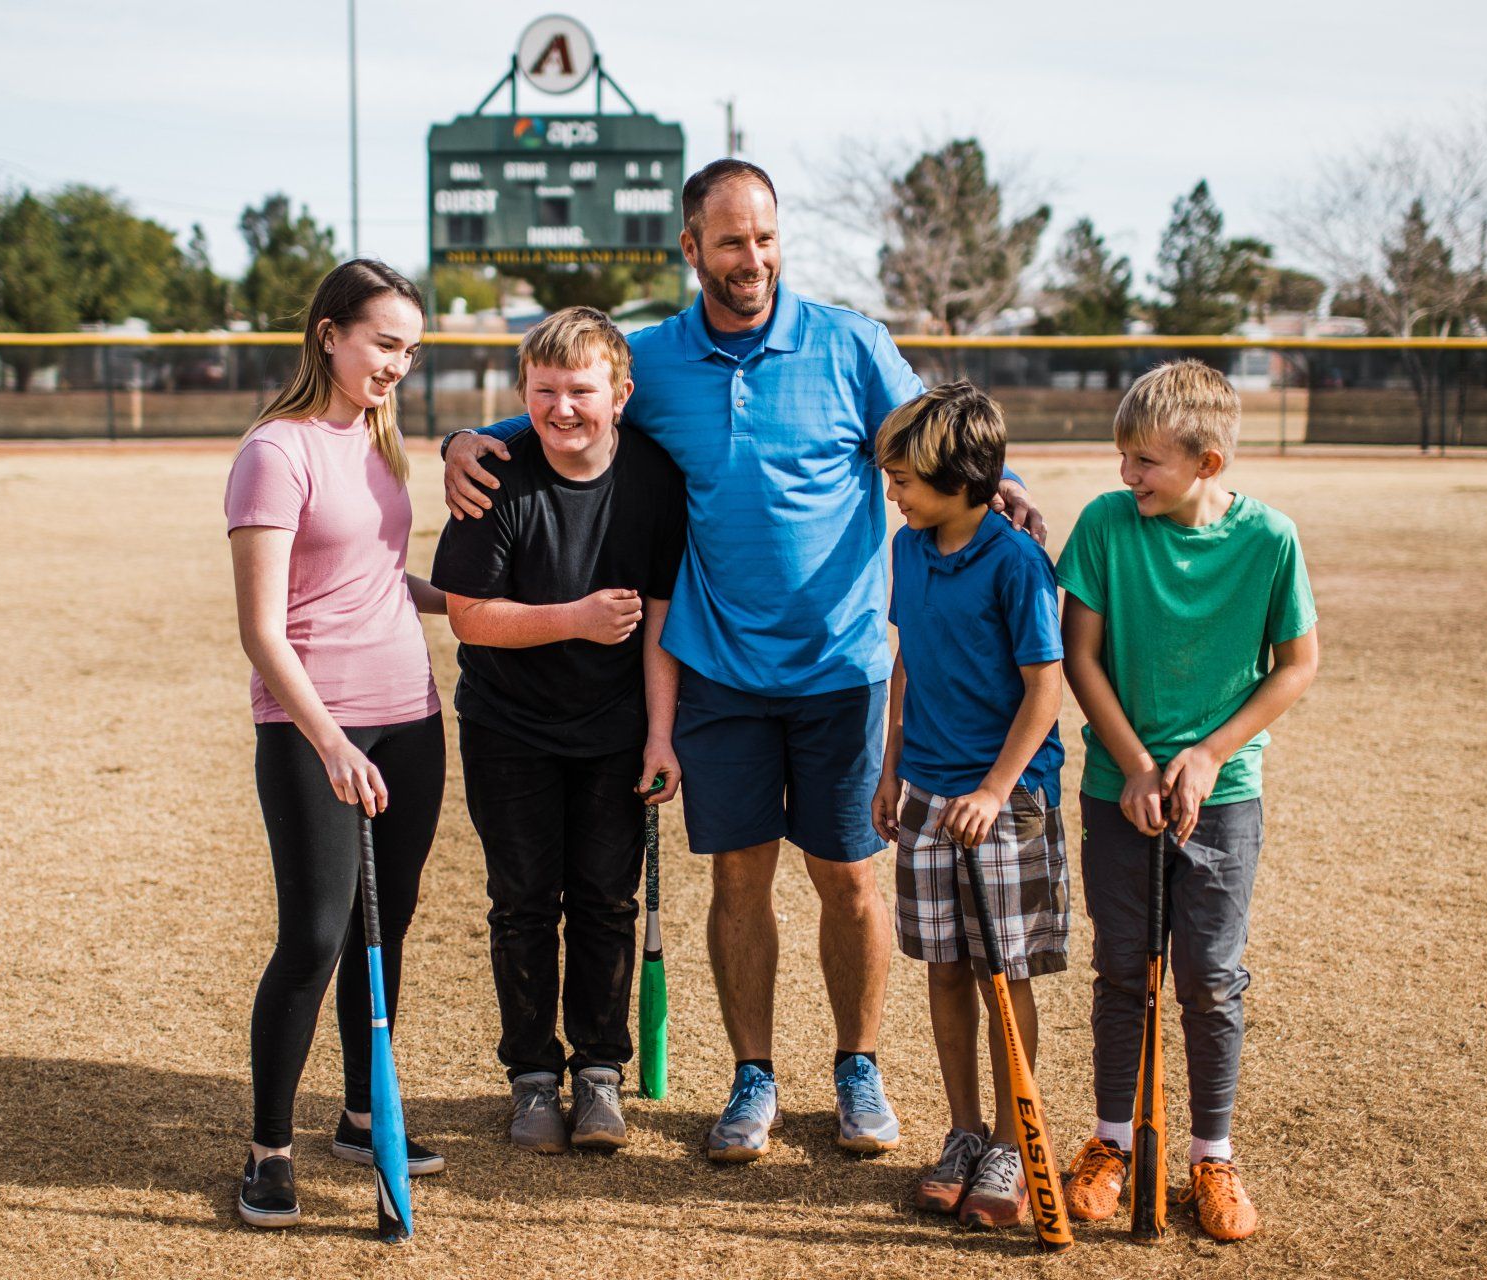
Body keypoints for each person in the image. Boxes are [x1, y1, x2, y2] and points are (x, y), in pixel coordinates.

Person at [442, 159, 1049, 1163]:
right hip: (721, 671)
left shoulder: (851, 344)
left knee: (850, 878)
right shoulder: (660, 359)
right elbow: (575, 401)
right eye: (730, 242)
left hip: (842, 667)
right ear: (692, 250)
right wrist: (471, 438)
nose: (751, 259)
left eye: (765, 238)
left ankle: (859, 1066)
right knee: (738, 882)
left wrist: (1011, 484)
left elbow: (936, 437)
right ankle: (753, 1075)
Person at [1052, 359, 1319, 1242]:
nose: (1127, 477)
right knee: (1123, 971)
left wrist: (1207, 754)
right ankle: (1110, 1145)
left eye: (1146, 462)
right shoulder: (1103, 525)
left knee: (1208, 980)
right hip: (1114, 793)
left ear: (1207, 463)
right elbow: (1080, 658)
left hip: (1224, 798)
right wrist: (1133, 764)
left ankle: (1212, 1154)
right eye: (1123, 458)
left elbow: (1296, 665)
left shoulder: (1271, 541)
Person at [430, 307, 687, 1155]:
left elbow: (657, 622)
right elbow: (468, 618)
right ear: (522, 394)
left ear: (622, 392)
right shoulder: (494, 474)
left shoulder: (654, 477)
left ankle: (601, 1073)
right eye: (544, 391)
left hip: (615, 732)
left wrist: (659, 736)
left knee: (607, 902)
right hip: (510, 728)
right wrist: (574, 618)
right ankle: (533, 1077)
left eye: (582, 390)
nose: (563, 409)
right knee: (524, 904)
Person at [225, 260, 449, 1228]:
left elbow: (381, 577)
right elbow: (264, 629)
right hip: (316, 726)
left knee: (383, 926)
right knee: (316, 934)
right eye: (384, 342)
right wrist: (330, 743)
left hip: (412, 715)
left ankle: (363, 1116)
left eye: (410, 349)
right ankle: (269, 1147)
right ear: (329, 333)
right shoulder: (277, 451)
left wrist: (477, 605)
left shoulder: (379, 436)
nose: (399, 364)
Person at [869, 381, 1068, 1230]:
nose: (892, 493)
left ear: (961, 480)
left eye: (906, 480)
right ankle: (964, 1130)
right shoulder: (908, 546)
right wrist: (890, 766)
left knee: (999, 974)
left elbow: (1045, 690)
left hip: (1005, 802)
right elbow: (907, 656)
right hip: (925, 794)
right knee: (946, 968)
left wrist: (992, 789)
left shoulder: (1016, 561)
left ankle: (1014, 1150)